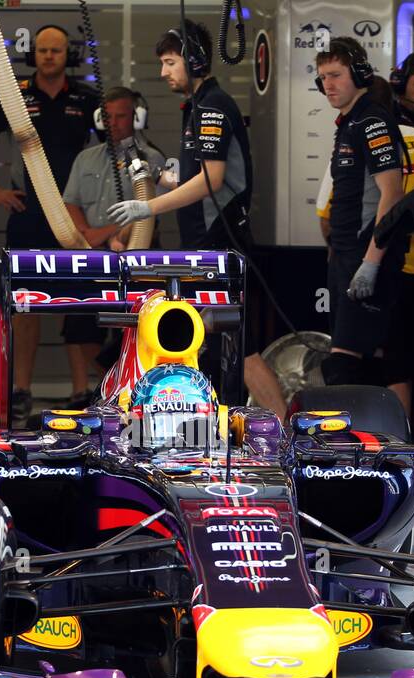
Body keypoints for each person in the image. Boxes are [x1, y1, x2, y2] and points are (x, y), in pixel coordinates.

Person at [106, 21, 289, 421]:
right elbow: (192, 177)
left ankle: (282, 429)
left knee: (242, 345)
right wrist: (159, 177)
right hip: (205, 242)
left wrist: (148, 208)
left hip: (221, 240)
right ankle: (206, 422)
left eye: (170, 62)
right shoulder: (199, 106)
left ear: (195, 60)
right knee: (212, 342)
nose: (163, 72)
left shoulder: (212, 105)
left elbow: (212, 180)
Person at [0, 24, 100, 425]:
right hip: (28, 215)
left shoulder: (87, 98)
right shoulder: (16, 96)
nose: (49, 56)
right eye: (43, 50)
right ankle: (22, 391)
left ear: (69, 55)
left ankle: (82, 389)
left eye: (57, 50)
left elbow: (108, 149)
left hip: (73, 215)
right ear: (34, 54)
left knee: (76, 300)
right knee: (27, 305)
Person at [61, 86, 167, 406]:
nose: (115, 122)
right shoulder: (85, 158)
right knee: (79, 327)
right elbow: (71, 202)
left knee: (132, 329)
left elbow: (150, 208)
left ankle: (128, 390)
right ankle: (89, 392)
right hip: (91, 254)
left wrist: (109, 234)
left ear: (137, 118)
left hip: (138, 255)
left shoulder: (152, 158)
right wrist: (85, 234)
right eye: (108, 116)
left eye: (122, 116)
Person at [310, 37, 404, 387]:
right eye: (322, 77)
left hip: (366, 256)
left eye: (335, 75)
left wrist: (371, 262)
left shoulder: (372, 121)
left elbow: (392, 193)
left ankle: (345, 442)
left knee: (344, 365)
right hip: (347, 255)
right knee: (354, 361)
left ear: (360, 74)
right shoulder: (349, 123)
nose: (327, 85)